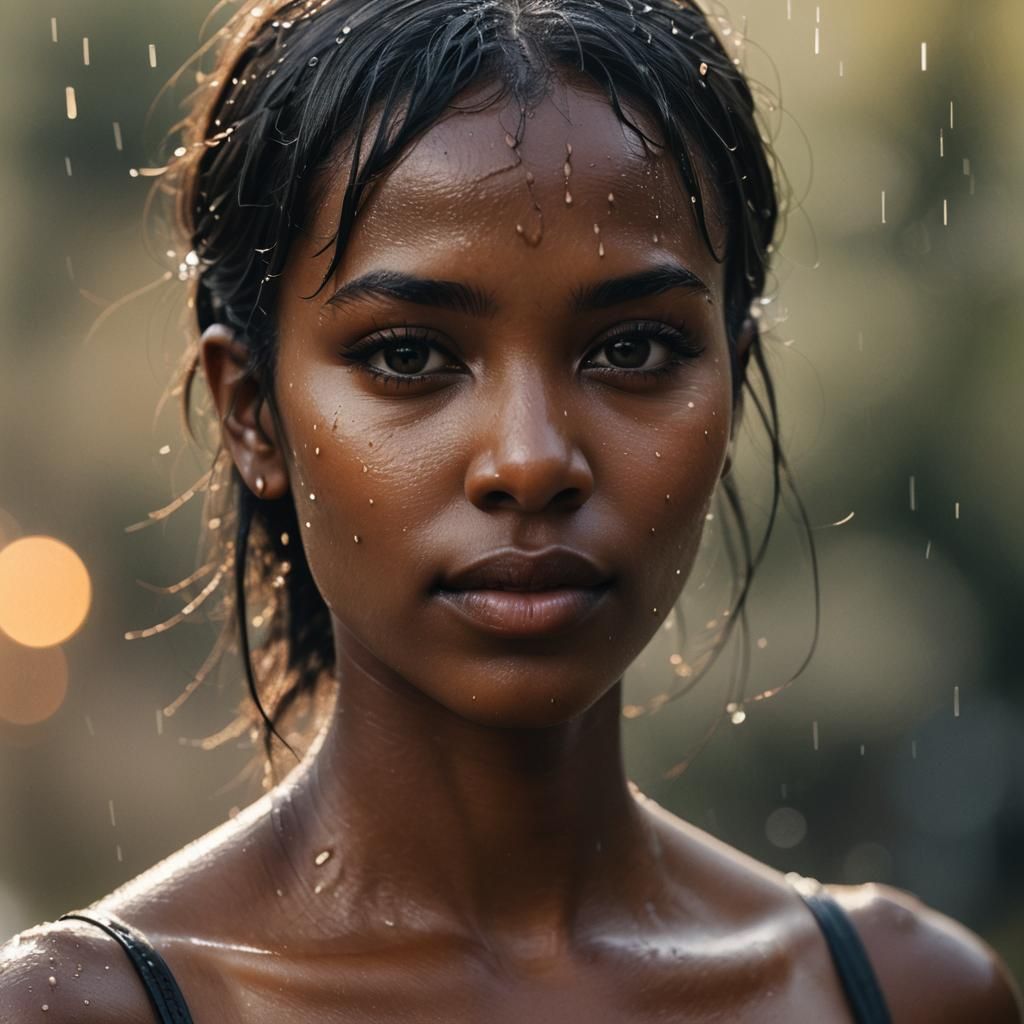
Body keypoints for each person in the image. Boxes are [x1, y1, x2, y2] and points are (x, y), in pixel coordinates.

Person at [2, 1, 1020, 1020]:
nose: (532, 461)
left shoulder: (906, 995)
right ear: (253, 413)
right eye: (408, 354)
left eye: (631, 349)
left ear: (733, 377)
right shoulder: (81, 1009)